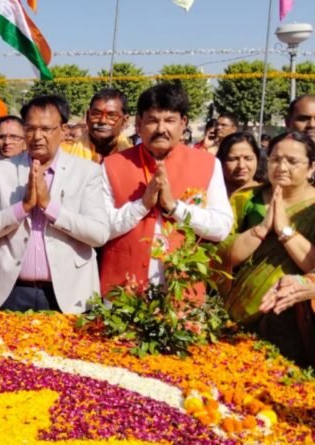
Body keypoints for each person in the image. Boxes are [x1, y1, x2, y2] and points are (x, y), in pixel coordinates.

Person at [0, 95, 109, 313]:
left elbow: (99, 234)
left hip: (67, 295)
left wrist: (50, 208)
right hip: (10, 292)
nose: (37, 137)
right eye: (30, 128)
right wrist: (23, 207)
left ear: (63, 130)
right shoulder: (3, 170)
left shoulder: (86, 172)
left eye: (46, 129)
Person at [100, 84, 233, 302]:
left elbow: (221, 227)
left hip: (183, 295)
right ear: (139, 124)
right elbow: (100, 228)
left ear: (183, 124)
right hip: (122, 294)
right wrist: (141, 206)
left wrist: (175, 207)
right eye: (153, 120)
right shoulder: (112, 165)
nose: (161, 129)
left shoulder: (208, 164)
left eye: (170, 120)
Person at [220, 131, 315, 367]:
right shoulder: (246, 199)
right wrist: (261, 229)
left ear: (312, 168)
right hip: (237, 312)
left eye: (292, 161)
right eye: (275, 159)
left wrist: (284, 230)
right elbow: (221, 256)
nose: (281, 167)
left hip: (292, 321)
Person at [61, 89, 131, 163]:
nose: (102, 121)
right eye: (96, 114)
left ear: (124, 121)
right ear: (88, 116)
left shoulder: (133, 158)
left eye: (111, 115)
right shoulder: (63, 153)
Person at [216, 132, 263, 197]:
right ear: (221, 161)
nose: (241, 166)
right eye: (233, 159)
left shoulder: (265, 196)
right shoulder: (208, 193)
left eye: (248, 158)